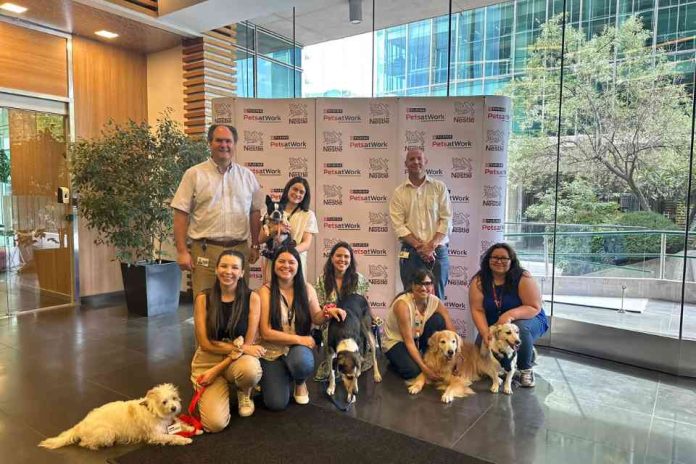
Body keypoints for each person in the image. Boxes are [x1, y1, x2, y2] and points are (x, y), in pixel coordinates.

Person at [172, 124, 263, 296]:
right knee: (204, 303)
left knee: (239, 303)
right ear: (209, 143)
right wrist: (182, 251)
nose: (224, 145)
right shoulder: (194, 174)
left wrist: (256, 245)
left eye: (228, 141)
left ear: (234, 144)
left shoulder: (247, 176)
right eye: (219, 140)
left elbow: (255, 212)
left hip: (239, 251)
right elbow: (180, 214)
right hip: (205, 252)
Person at [258, 245, 346, 410]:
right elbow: (265, 332)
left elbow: (316, 318)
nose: (286, 266)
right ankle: (281, 374)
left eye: (291, 262)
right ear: (274, 264)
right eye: (281, 261)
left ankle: (299, 380)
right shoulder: (265, 292)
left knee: (302, 363)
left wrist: (327, 312)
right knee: (275, 403)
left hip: (298, 350)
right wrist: (301, 339)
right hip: (272, 351)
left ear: (298, 265)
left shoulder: (307, 289)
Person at [190, 250, 265, 432]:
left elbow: (245, 346)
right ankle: (219, 388)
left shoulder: (252, 298)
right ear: (216, 269)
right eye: (223, 266)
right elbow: (205, 343)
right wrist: (239, 349)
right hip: (208, 359)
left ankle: (244, 391)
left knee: (250, 370)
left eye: (234, 267)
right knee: (214, 425)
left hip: (237, 361)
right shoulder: (203, 298)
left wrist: (217, 370)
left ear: (242, 273)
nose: (228, 271)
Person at [469, 242, 549, 388]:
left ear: (511, 261)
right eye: (494, 257)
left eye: (504, 258)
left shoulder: (523, 277)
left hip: (529, 319)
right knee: (481, 353)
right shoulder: (479, 280)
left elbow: (534, 306)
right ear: (488, 260)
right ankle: (514, 359)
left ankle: (525, 368)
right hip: (498, 323)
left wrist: (510, 315)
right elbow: (477, 310)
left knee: (518, 330)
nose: (499, 261)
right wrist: (485, 332)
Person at [389, 148, 452, 299]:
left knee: (437, 299)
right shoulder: (399, 192)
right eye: (411, 159)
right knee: (410, 299)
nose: (416, 162)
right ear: (406, 164)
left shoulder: (439, 188)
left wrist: (431, 246)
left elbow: (446, 219)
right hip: (411, 253)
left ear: (425, 162)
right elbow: (398, 226)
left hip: (438, 251)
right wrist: (420, 247)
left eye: (419, 158)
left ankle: (435, 323)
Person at [382, 269, 456, 382]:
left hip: (417, 338)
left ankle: (425, 356)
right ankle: (397, 360)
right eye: (419, 283)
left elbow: (452, 332)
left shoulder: (435, 302)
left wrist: (459, 357)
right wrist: (425, 369)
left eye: (427, 284)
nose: (423, 288)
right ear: (412, 285)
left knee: (438, 320)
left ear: (432, 286)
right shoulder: (403, 305)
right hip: (397, 341)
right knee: (414, 371)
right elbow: (408, 342)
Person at [313, 241, 371, 381]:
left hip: (353, 323)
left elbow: (361, 306)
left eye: (346, 256)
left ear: (351, 260)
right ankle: (333, 364)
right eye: (338, 256)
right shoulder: (322, 280)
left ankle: (355, 361)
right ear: (332, 258)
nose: (342, 260)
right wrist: (330, 312)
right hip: (331, 322)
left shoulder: (359, 279)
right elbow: (320, 309)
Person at [258, 177, 318, 282]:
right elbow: (261, 239)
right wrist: (275, 229)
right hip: (273, 260)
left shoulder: (308, 215)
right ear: (288, 189)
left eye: (301, 192)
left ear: (305, 196)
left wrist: (288, 253)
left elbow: (306, 244)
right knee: (271, 294)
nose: (297, 194)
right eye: (294, 189)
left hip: (294, 262)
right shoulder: (272, 209)